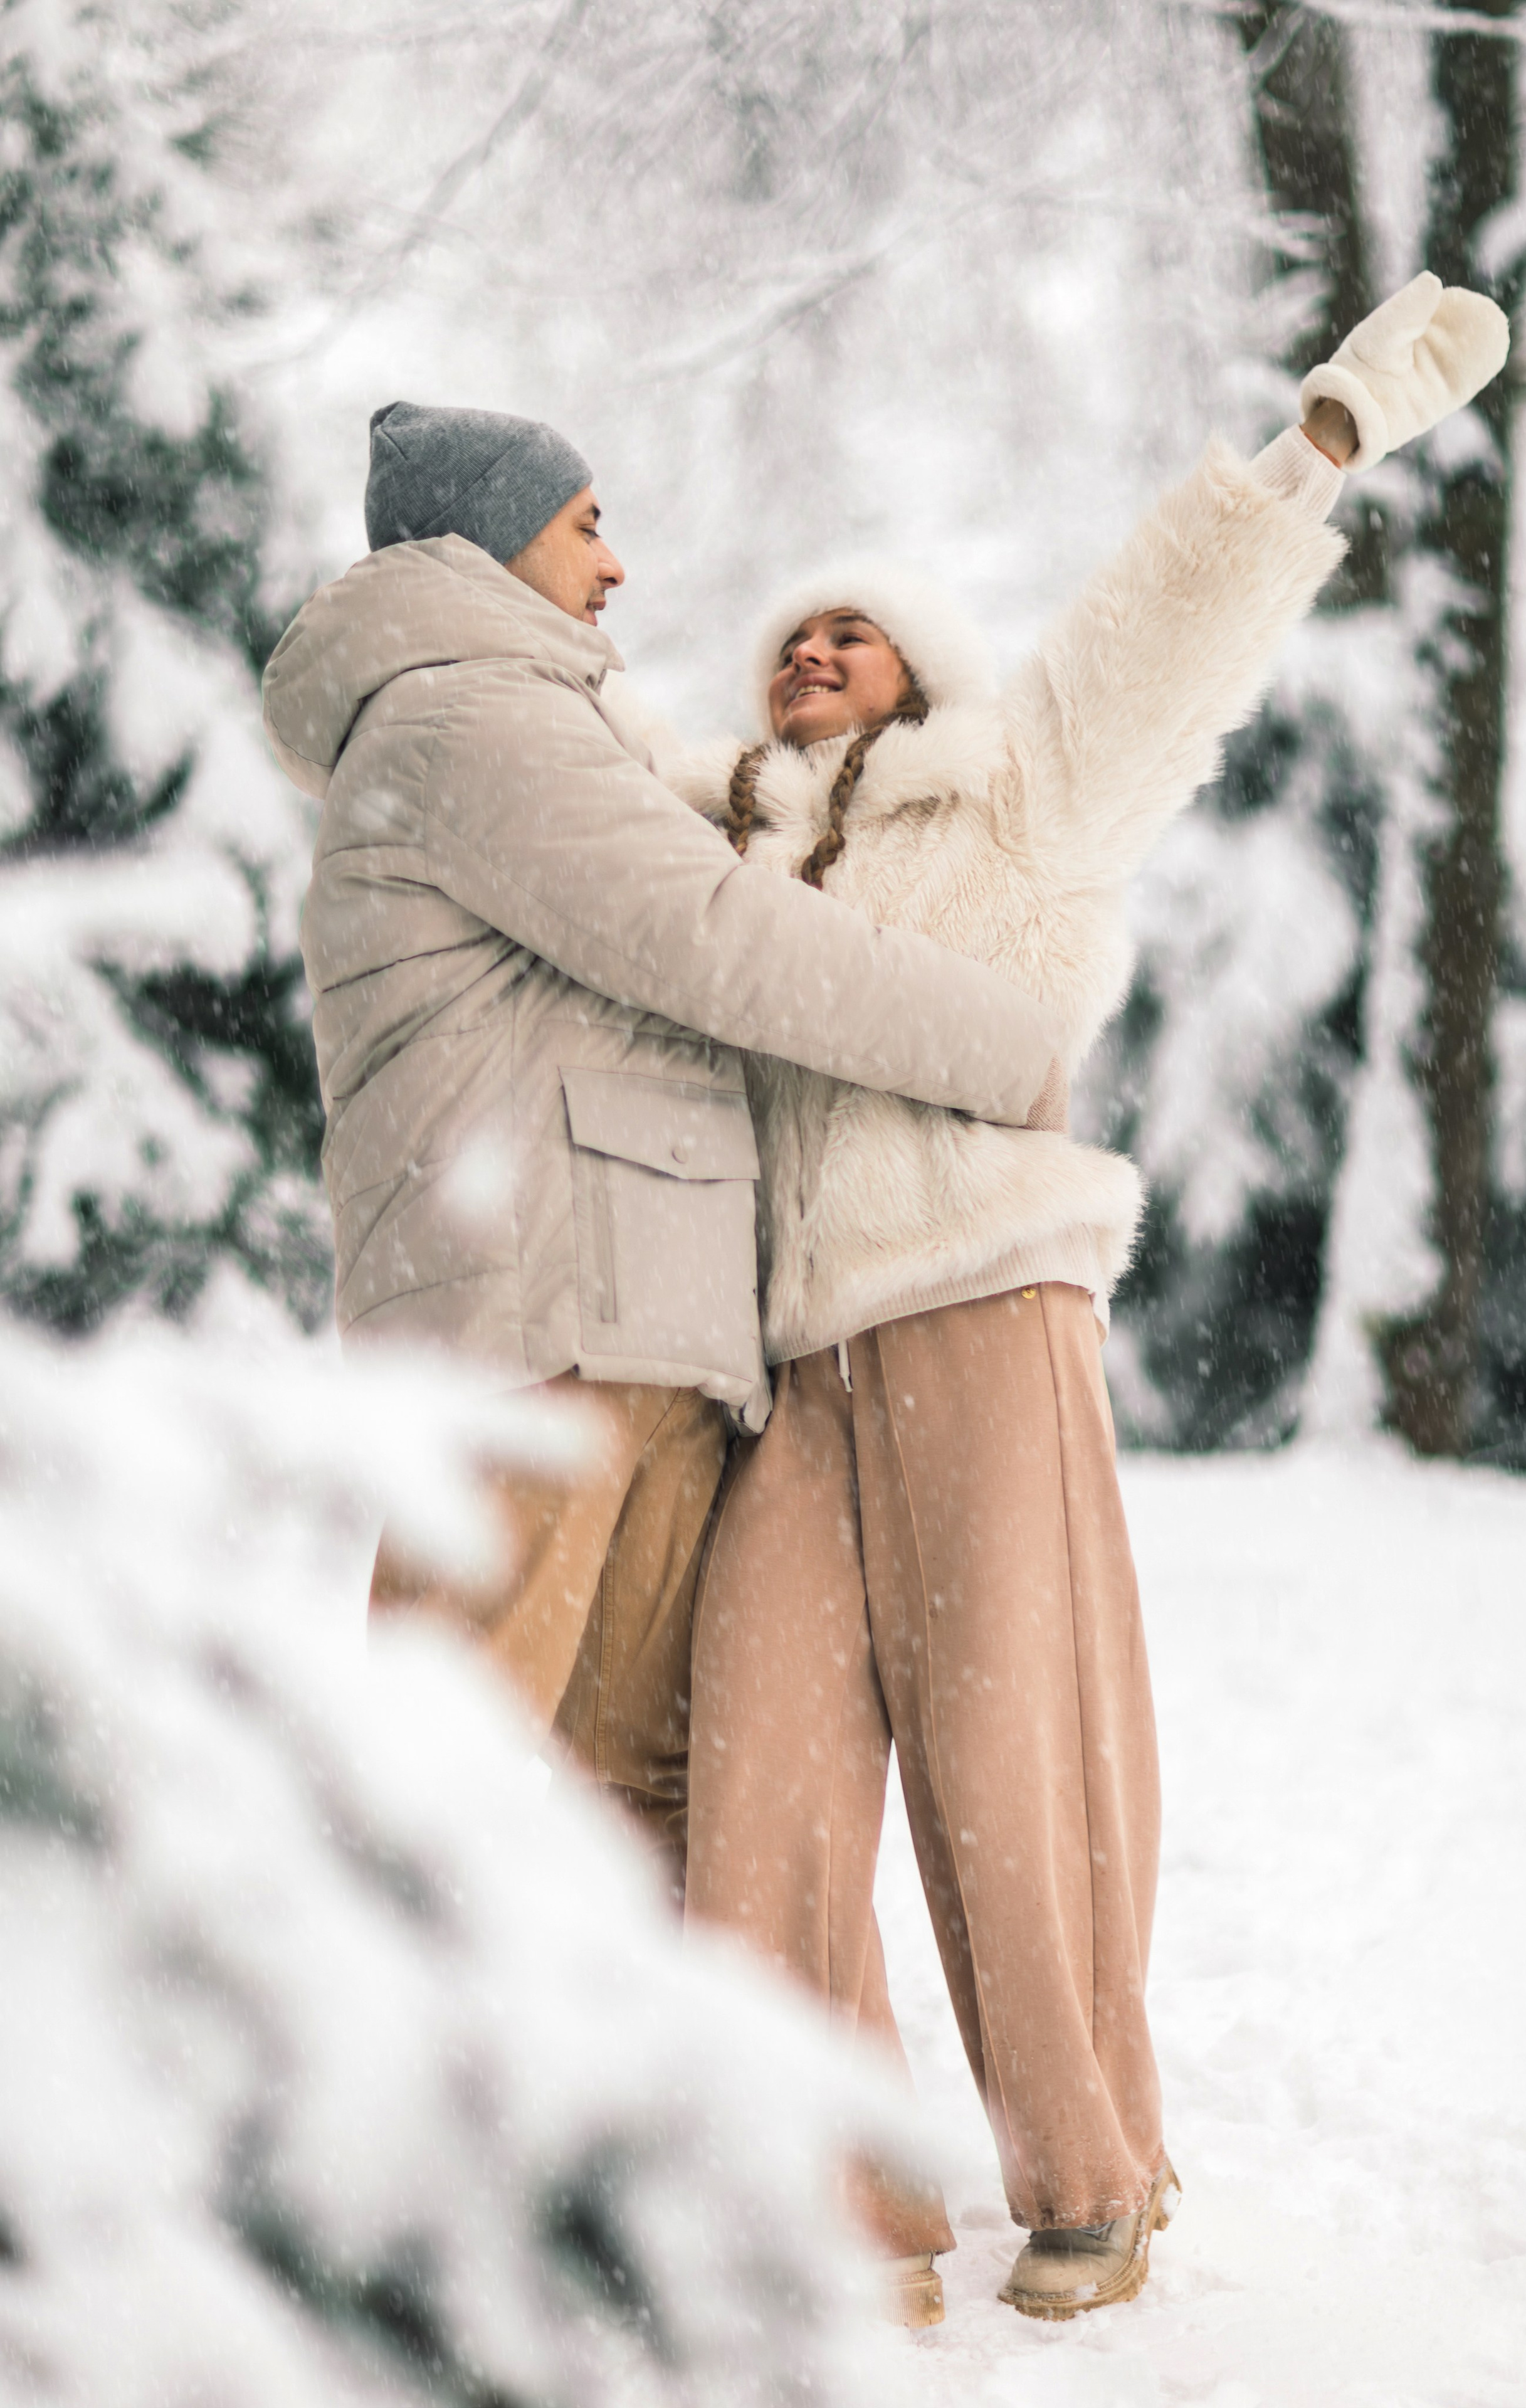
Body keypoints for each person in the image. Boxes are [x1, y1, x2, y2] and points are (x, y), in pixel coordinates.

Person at [668, 273, 1510, 2326]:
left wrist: (1322, 438)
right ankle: (829, 2199)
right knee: (756, 1778)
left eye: (853, 628)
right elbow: (547, 780)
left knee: (1010, 1763)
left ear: (924, 671)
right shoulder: (713, 858)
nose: (811, 650)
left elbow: (1158, 635)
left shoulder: (1023, 796)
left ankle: (1091, 2177)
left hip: (980, 1320)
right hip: (793, 1376)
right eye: (788, 637)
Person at [261, 401, 1069, 1895]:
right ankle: (316, 2052)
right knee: (426, 1792)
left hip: (617, 1324)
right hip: (536, 1330)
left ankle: (576, 2058)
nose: (616, 565)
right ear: (488, 539)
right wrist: (1002, 1050)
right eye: (583, 525)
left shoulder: (516, 720)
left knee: (639, 1809)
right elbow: (715, 938)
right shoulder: (465, 720)